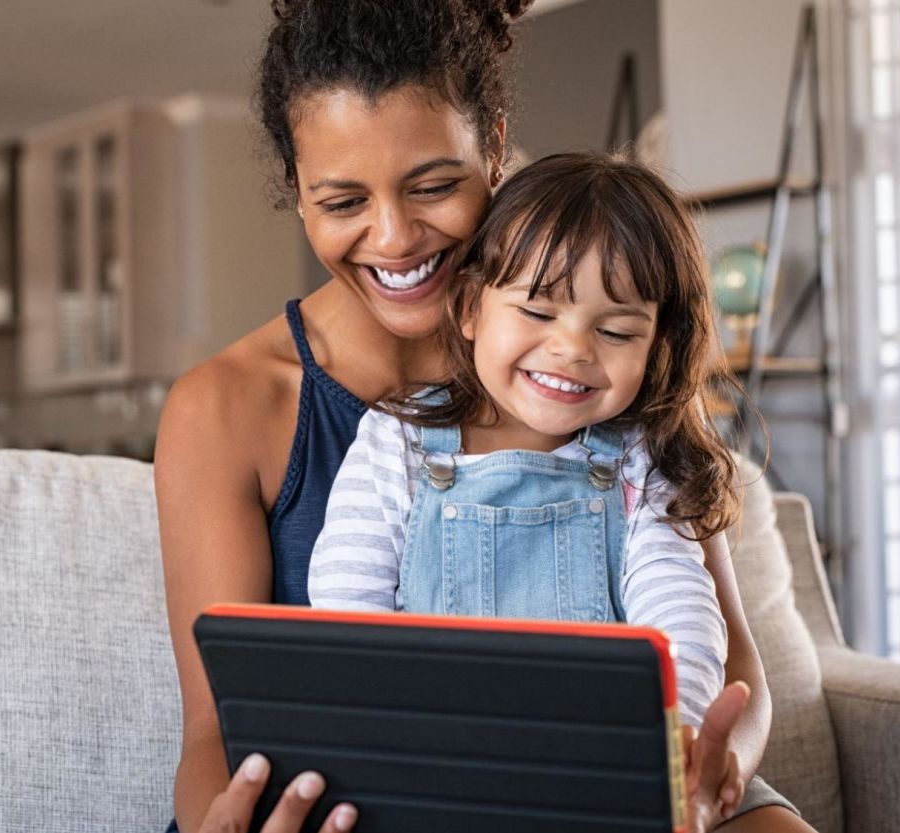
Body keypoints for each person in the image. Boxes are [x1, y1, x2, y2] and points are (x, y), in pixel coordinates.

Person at [154, 2, 814, 832]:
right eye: (342, 199)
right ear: (296, 189)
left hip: (631, 770)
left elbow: (729, 657)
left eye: (434, 185)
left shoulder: (597, 375)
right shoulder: (227, 405)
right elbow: (214, 731)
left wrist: (709, 764)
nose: (394, 237)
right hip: (378, 789)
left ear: (494, 146)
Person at [308, 151, 776, 827]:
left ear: (654, 346)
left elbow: (683, 613)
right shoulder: (396, 440)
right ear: (470, 307)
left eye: (616, 330)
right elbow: (346, 614)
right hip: (438, 769)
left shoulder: (642, 458)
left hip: (603, 772)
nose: (572, 349)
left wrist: (681, 735)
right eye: (537, 311)